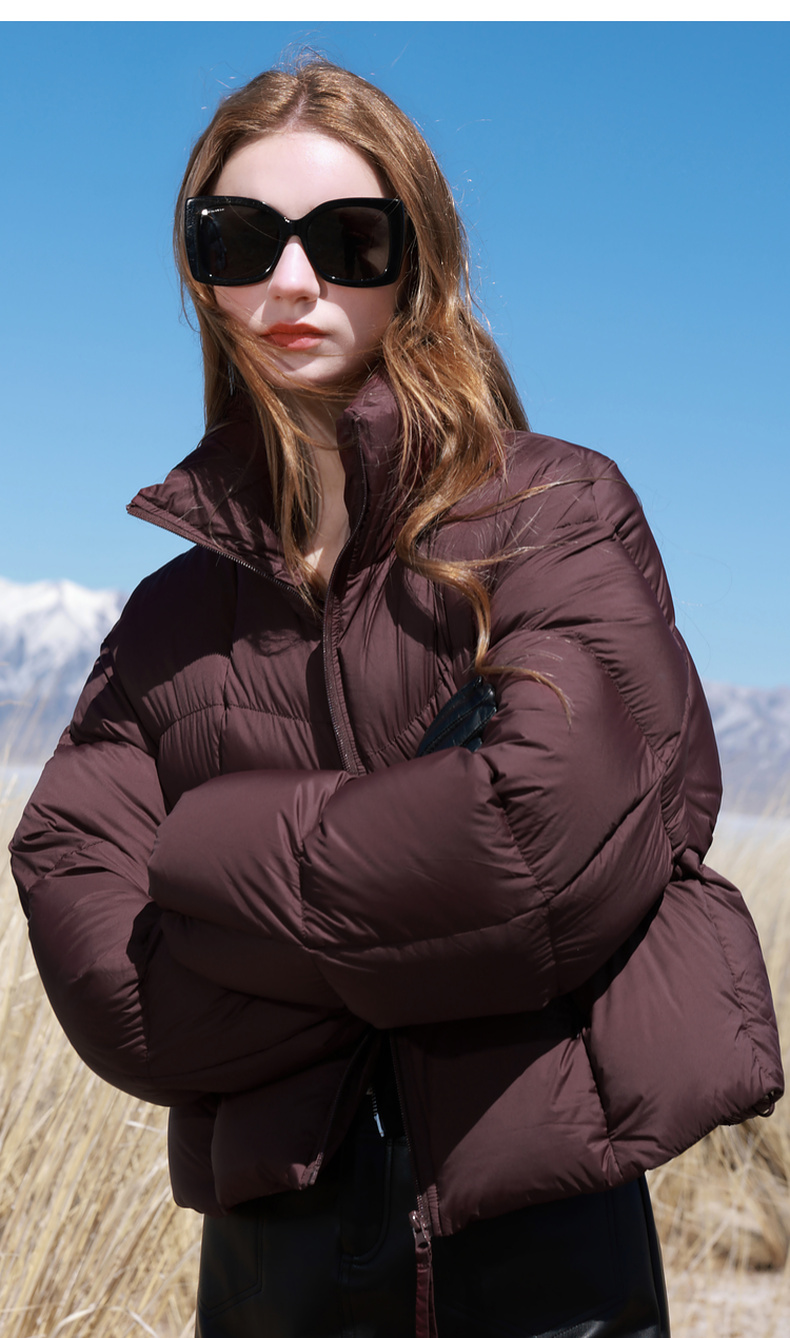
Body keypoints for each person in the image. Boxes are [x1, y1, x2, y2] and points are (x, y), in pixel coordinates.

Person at [11, 59, 783, 1338]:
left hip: (543, 1272)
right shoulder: (167, 620)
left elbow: (533, 861)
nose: (291, 283)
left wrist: (209, 865)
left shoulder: (554, 513)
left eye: (348, 240)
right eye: (239, 239)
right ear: (201, 274)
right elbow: (102, 961)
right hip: (272, 1278)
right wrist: (416, 900)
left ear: (416, 262)